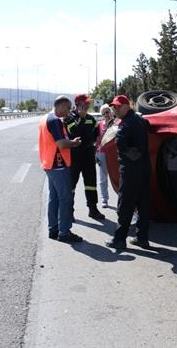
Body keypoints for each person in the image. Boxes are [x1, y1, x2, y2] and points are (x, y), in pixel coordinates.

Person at [105, 95, 151, 250]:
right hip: (144, 169)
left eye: (117, 107)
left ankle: (119, 239)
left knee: (125, 206)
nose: (114, 110)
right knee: (143, 205)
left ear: (126, 106)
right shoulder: (139, 120)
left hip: (131, 172)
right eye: (113, 107)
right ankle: (142, 238)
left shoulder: (127, 124)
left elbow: (121, 145)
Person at [38, 95, 83, 243]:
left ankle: (53, 229)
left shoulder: (45, 118)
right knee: (65, 198)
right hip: (58, 164)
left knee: (54, 198)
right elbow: (62, 144)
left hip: (49, 163)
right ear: (61, 106)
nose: (69, 111)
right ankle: (64, 232)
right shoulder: (55, 121)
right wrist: (74, 143)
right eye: (68, 108)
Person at [65, 94, 106, 220]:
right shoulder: (69, 118)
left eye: (88, 104)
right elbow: (74, 134)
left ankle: (93, 209)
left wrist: (93, 147)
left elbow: (94, 136)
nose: (88, 106)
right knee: (71, 185)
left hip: (88, 156)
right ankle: (68, 212)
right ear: (78, 105)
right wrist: (81, 119)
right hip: (74, 157)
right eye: (85, 104)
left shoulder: (91, 119)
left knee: (91, 184)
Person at [95, 103, 116, 208]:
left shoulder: (117, 123)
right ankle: (104, 199)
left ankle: (121, 198)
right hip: (102, 153)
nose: (106, 115)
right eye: (103, 114)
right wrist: (96, 154)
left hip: (115, 153)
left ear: (111, 112)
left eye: (107, 112)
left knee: (118, 177)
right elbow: (97, 140)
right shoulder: (100, 125)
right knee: (103, 178)